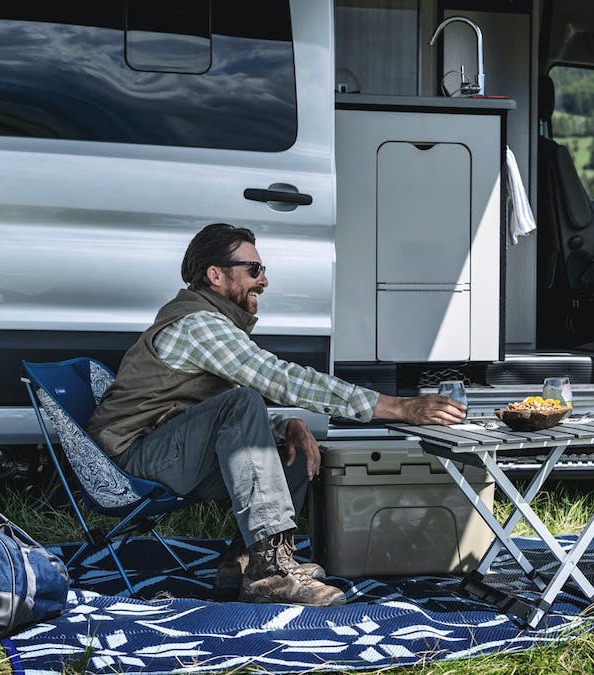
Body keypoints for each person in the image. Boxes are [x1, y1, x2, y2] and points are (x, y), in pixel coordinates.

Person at [87, 223, 466, 608]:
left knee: (293, 440)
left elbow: (211, 413)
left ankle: (247, 562)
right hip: (133, 461)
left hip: (170, 449)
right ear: (215, 274)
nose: (264, 280)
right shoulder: (198, 324)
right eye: (254, 269)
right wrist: (397, 407)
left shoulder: (213, 323)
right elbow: (277, 379)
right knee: (247, 401)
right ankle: (269, 572)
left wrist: (288, 425)